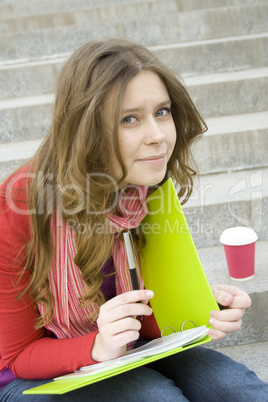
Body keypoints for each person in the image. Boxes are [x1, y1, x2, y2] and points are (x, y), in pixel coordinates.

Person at [0, 38, 267, 402]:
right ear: (86, 129)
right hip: (31, 374)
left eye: (162, 112)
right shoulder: (21, 202)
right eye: (129, 119)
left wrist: (202, 309)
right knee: (154, 396)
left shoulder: (144, 186)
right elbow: (16, 357)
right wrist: (100, 345)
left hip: (126, 350)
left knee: (236, 387)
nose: (158, 136)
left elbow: (147, 321)